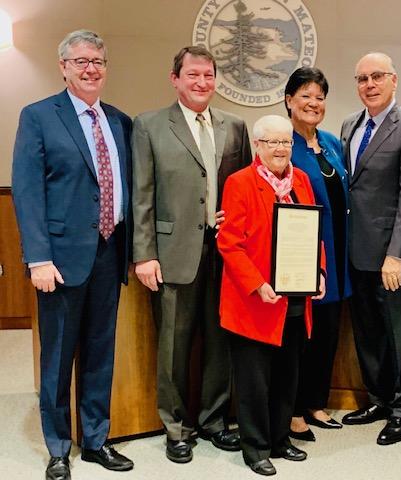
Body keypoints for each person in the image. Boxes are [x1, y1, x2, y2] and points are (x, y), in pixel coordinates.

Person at [12, 29, 134, 480]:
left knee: (101, 352)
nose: (90, 69)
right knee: (59, 356)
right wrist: (37, 258)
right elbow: (26, 192)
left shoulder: (121, 121)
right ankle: (59, 447)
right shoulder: (40, 116)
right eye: (81, 61)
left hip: (110, 251)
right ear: (63, 66)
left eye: (98, 61)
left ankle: (96, 441)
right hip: (60, 261)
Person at [131, 46, 251, 463]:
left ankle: (215, 421)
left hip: (225, 252)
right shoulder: (148, 126)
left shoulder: (235, 126)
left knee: (221, 342)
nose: (202, 82)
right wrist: (144, 254)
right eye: (193, 75)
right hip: (171, 253)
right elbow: (141, 196)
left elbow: (247, 189)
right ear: (175, 78)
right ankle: (177, 427)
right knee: (174, 347)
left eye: (209, 75)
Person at [217, 114, 326, 476]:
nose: (281, 149)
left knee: (286, 375)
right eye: (273, 142)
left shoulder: (303, 181)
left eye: (286, 142)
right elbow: (229, 243)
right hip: (254, 301)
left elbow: (315, 232)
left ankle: (281, 439)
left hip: (295, 299)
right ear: (258, 146)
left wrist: (320, 271)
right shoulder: (240, 182)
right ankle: (256, 447)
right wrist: (256, 283)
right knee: (254, 380)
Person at [340, 52, 401, 445]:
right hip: (354, 251)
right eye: (362, 78)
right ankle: (378, 398)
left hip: (390, 256)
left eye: (377, 76)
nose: (369, 84)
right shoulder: (349, 125)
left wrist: (396, 254)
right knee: (368, 332)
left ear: (394, 80)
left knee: (399, 334)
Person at [284, 67, 351, 441]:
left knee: (328, 331)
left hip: (337, 253)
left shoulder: (331, 143)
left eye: (320, 97)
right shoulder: (281, 143)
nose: (313, 103)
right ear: (289, 100)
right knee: (300, 334)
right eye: (305, 96)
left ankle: (316, 401)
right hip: (301, 254)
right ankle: (293, 409)